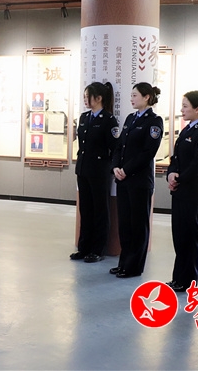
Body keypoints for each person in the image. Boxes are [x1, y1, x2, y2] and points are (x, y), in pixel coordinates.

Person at [110, 82, 163, 278]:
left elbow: (148, 152)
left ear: (146, 97)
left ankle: (134, 266)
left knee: (138, 225)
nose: (131, 98)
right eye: (131, 95)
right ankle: (124, 262)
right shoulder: (130, 118)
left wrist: (126, 169)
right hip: (123, 179)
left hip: (139, 181)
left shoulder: (154, 121)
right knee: (125, 223)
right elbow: (119, 146)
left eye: (135, 95)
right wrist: (115, 167)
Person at [165, 90, 198, 292]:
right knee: (179, 235)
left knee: (189, 235)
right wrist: (171, 173)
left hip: (191, 191)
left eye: (185, 106)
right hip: (179, 189)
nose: (182, 110)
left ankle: (188, 280)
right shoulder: (186, 130)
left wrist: (179, 178)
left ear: (197, 109)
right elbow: (175, 158)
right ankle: (178, 277)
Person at [70, 82, 119, 263]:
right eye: (84, 96)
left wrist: (111, 167)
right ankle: (84, 247)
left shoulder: (108, 120)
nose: (85, 100)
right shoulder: (84, 117)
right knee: (85, 209)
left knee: (100, 210)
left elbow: (115, 148)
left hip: (99, 171)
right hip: (83, 169)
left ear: (98, 98)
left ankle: (98, 249)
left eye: (87, 96)